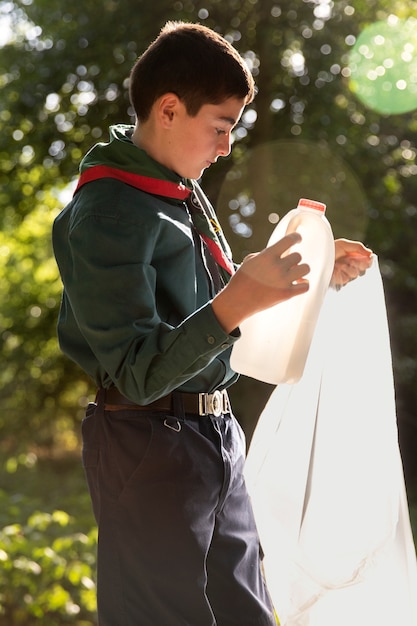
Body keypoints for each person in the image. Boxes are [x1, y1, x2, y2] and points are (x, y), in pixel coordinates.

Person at [52, 21, 372, 626]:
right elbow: (137, 373)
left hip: (215, 438)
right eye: (220, 127)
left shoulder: (177, 191)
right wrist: (239, 300)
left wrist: (311, 268)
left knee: (247, 613)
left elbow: (219, 313)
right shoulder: (109, 209)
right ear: (169, 109)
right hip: (147, 443)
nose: (226, 147)